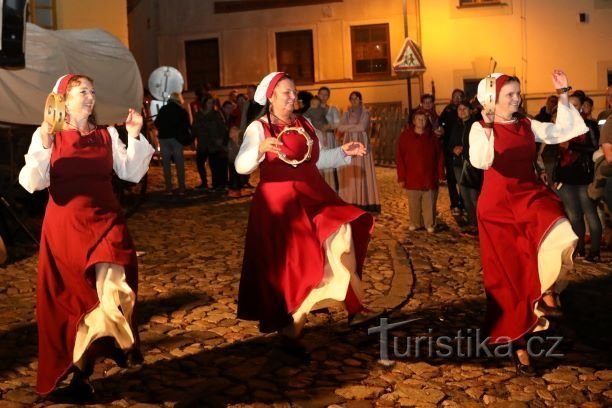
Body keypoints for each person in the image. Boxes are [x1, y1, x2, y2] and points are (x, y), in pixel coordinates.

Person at [18, 74, 155, 399]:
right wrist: (45, 148)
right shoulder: (48, 135)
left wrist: (134, 136)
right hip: (66, 230)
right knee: (74, 303)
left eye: (93, 91)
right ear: (63, 99)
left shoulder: (106, 134)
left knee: (114, 291)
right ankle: (82, 373)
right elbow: (31, 183)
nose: (90, 97)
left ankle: (119, 341)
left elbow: (131, 173)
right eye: (83, 91)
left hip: (107, 222)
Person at [235, 72, 374, 353]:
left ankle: (349, 302)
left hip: (313, 193)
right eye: (286, 92)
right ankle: (295, 316)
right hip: (280, 203)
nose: (292, 96)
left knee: (342, 233)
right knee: (296, 263)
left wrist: (344, 152)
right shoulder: (259, 128)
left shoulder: (304, 123)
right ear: (271, 97)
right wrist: (260, 149)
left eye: (294, 91)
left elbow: (318, 159)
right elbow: (241, 166)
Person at [469, 70, 588, 375]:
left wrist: (563, 93)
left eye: (518, 92)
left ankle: (547, 287)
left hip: (528, 198)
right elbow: (481, 161)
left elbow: (562, 132)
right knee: (510, 280)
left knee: (559, 227)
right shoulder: (480, 127)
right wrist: (489, 125)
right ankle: (519, 346)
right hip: (496, 212)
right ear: (492, 100)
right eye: (509, 94)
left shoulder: (526, 124)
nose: (516, 98)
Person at [396, 110, 445, 233]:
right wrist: (401, 177)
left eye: (423, 119)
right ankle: (415, 222)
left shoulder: (432, 137)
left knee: (429, 201)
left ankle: (430, 223)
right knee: (414, 202)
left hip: (429, 175)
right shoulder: (405, 136)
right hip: (412, 175)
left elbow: (439, 156)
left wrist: (440, 173)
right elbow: (399, 157)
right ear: (413, 121)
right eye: (418, 119)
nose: (421, 121)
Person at [337, 91, 381, 213]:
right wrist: (354, 127)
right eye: (351, 99)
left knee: (362, 171)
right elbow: (340, 127)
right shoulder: (346, 113)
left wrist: (349, 127)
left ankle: (364, 200)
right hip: (349, 144)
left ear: (360, 100)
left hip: (362, 144)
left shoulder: (365, 112)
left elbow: (362, 127)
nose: (353, 101)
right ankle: (351, 199)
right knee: (351, 171)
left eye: (356, 99)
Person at [154, 92, 190, 195]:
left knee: (166, 165)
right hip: (177, 139)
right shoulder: (181, 111)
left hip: (164, 138)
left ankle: (169, 188)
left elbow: (157, 123)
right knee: (179, 164)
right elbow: (186, 125)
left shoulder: (163, 109)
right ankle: (181, 188)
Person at [318, 86, 341, 191]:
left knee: (330, 161)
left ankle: (331, 188)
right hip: (318, 138)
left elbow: (337, 124)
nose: (323, 96)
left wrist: (328, 126)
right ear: (318, 95)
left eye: (326, 94)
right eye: (321, 94)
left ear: (328, 97)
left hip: (330, 137)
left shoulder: (332, 109)